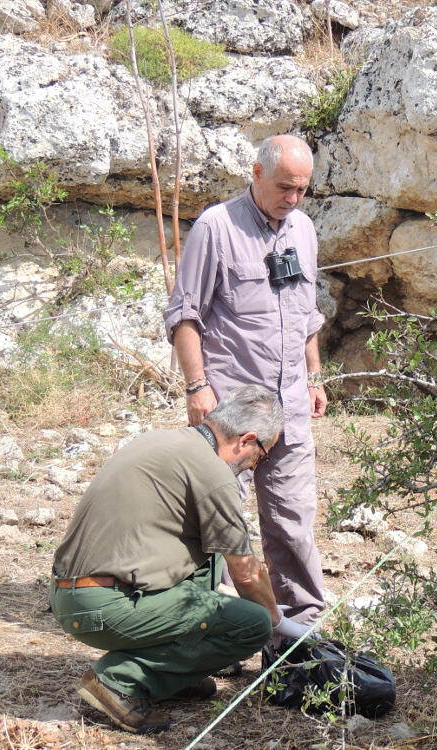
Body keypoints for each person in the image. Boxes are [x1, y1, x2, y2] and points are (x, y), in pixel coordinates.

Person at [49, 386, 311, 734]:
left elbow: (213, 569)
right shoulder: (214, 475)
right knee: (251, 625)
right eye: (261, 453)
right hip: (102, 605)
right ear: (245, 440)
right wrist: (279, 623)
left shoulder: (165, 441)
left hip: (73, 595)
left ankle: (174, 674)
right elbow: (246, 574)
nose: (255, 464)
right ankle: (117, 680)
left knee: (211, 559)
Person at [163, 134, 329, 627]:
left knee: (293, 523)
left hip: (291, 409)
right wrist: (197, 387)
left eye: (301, 189)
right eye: (284, 187)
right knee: (217, 527)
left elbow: (308, 315)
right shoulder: (216, 227)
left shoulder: (303, 230)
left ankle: (301, 632)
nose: (292, 199)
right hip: (232, 410)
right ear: (256, 173)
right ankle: (217, 630)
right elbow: (184, 315)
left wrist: (315, 376)